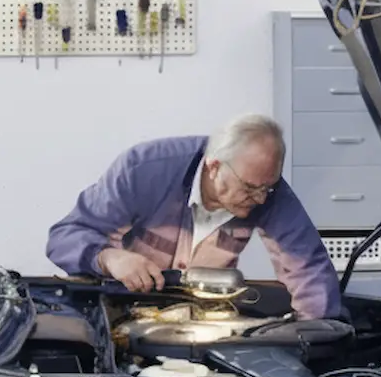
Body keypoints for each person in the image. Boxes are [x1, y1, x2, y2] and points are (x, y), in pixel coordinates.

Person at [45, 114, 341, 320]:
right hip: (120, 314)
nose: (261, 199)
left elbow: (308, 268)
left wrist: (316, 335)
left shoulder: (265, 187)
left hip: (200, 320)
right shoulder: (144, 169)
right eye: (250, 188)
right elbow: (64, 237)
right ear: (214, 167)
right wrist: (109, 258)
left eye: (268, 188)